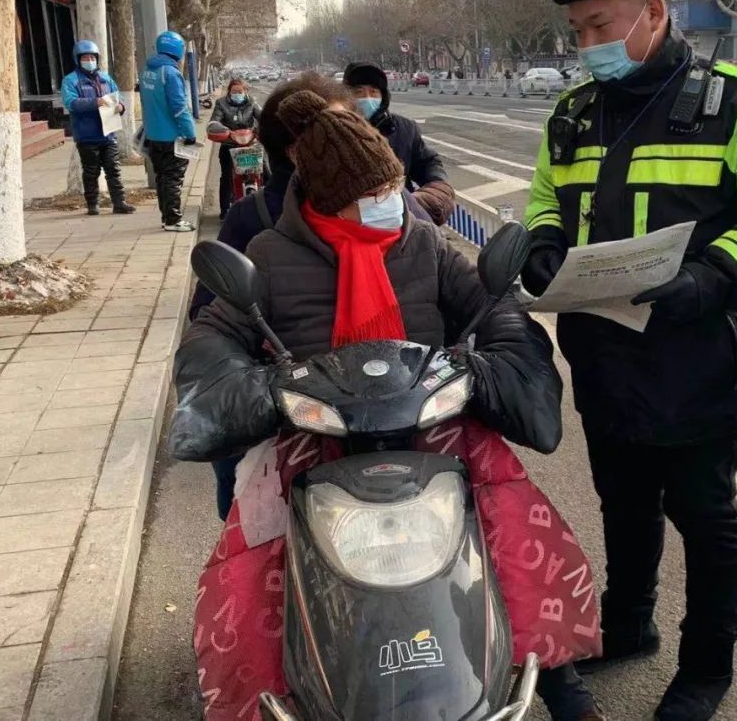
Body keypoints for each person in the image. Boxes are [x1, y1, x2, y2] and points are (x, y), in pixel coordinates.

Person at [174, 90, 604, 720]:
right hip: (317, 438)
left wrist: (487, 366)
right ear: (331, 198)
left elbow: (494, 308)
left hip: (433, 428)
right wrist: (265, 388)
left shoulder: (423, 243)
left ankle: (561, 683)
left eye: (394, 187)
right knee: (254, 567)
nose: (391, 202)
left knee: (510, 529)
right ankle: (268, 695)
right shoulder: (270, 255)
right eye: (375, 194)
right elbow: (210, 340)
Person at [521, 0, 737, 720]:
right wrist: (544, 243)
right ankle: (629, 623)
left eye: (599, 24)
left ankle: (706, 665)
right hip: (604, 355)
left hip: (700, 357)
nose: (587, 43)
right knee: (623, 503)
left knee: (704, 517)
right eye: (576, 29)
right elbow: (546, 195)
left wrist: (716, 275)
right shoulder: (573, 114)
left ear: (654, 12)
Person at [187, 71, 431, 520]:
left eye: (349, 126)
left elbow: (476, 302)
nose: (344, 138)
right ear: (296, 153)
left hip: (410, 420)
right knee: (253, 521)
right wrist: (262, 390)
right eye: (324, 130)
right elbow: (212, 324)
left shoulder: (403, 215)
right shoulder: (257, 228)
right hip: (300, 425)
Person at [343, 61, 455, 225]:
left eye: (373, 92)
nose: (367, 98)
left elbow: (427, 163)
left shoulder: (405, 129)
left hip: (402, 222)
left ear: (383, 96)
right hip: (350, 225)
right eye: (359, 92)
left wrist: (436, 189)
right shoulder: (332, 132)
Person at [60, 40, 136, 217]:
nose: (89, 61)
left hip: (108, 133)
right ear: (78, 59)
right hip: (87, 134)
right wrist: (95, 102)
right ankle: (92, 204)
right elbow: (71, 103)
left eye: (92, 57)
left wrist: (121, 107)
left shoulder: (105, 78)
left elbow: (118, 98)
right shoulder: (70, 81)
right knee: (91, 171)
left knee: (113, 169)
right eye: (85, 58)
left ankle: (119, 202)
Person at [140, 30, 197, 232]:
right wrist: (190, 133)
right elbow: (179, 107)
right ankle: (173, 220)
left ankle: (166, 217)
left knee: (162, 177)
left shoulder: (147, 70)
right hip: (172, 136)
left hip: (153, 135)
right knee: (173, 178)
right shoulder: (170, 73)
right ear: (178, 50)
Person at [212, 77, 262, 219]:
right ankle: (225, 210)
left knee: (266, 170)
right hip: (229, 144)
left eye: (240, 91)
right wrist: (226, 132)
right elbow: (214, 122)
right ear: (229, 91)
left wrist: (260, 130)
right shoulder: (221, 103)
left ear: (246, 91)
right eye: (234, 91)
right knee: (226, 177)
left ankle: (270, 204)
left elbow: (263, 117)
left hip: (250, 145)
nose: (237, 94)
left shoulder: (252, 102)